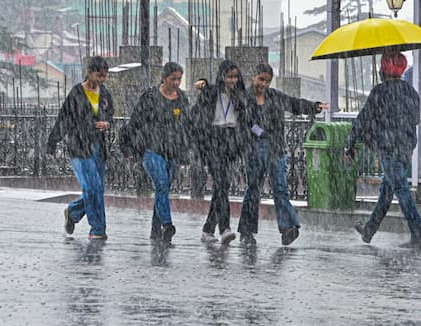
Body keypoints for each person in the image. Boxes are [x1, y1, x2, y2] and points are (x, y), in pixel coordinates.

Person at [238, 63, 328, 246]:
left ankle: (288, 228)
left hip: (275, 149)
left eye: (267, 81)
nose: (263, 84)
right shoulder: (244, 98)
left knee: (280, 188)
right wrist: (261, 134)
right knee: (253, 189)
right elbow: (246, 122)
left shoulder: (274, 97)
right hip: (254, 150)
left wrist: (314, 107)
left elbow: (294, 103)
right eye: (261, 79)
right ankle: (246, 231)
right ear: (253, 77)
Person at [346, 52, 421, 248]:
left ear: (385, 69)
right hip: (405, 148)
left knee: (401, 189)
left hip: (388, 148)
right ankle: (369, 231)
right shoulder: (410, 92)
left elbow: (363, 118)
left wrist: (351, 143)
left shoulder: (380, 92)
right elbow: (415, 119)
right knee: (386, 192)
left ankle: (418, 233)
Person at [46, 56, 114, 240]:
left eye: (104, 76)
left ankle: (74, 212)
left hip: (98, 147)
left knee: (97, 189)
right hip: (79, 147)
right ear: (89, 72)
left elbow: (110, 114)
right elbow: (65, 118)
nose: (101, 79)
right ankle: (98, 229)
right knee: (92, 187)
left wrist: (106, 123)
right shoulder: (76, 93)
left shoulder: (105, 94)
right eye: (99, 75)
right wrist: (53, 141)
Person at [124, 62, 191, 243]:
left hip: (173, 152)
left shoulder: (182, 99)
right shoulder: (151, 96)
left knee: (163, 191)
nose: (176, 83)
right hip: (152, 149)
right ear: (164, 78)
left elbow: (187, 125)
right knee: (161, 185)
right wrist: (130, 146)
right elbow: (136, 120)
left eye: (179, 79)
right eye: (173, 79)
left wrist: (186, 149)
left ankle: (156, 231)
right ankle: (167, 224)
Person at [190, 60, 249, 245]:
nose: (233, 81)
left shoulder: (240, 96)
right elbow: (196, 114)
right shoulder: (211, 93)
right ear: (222, 77)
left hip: (231, 142)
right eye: (229, 77)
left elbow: (247, 119)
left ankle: (208, 229)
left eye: (235, 77)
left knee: (222, 187)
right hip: (213, 141)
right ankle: (225, 228)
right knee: (221, 183)